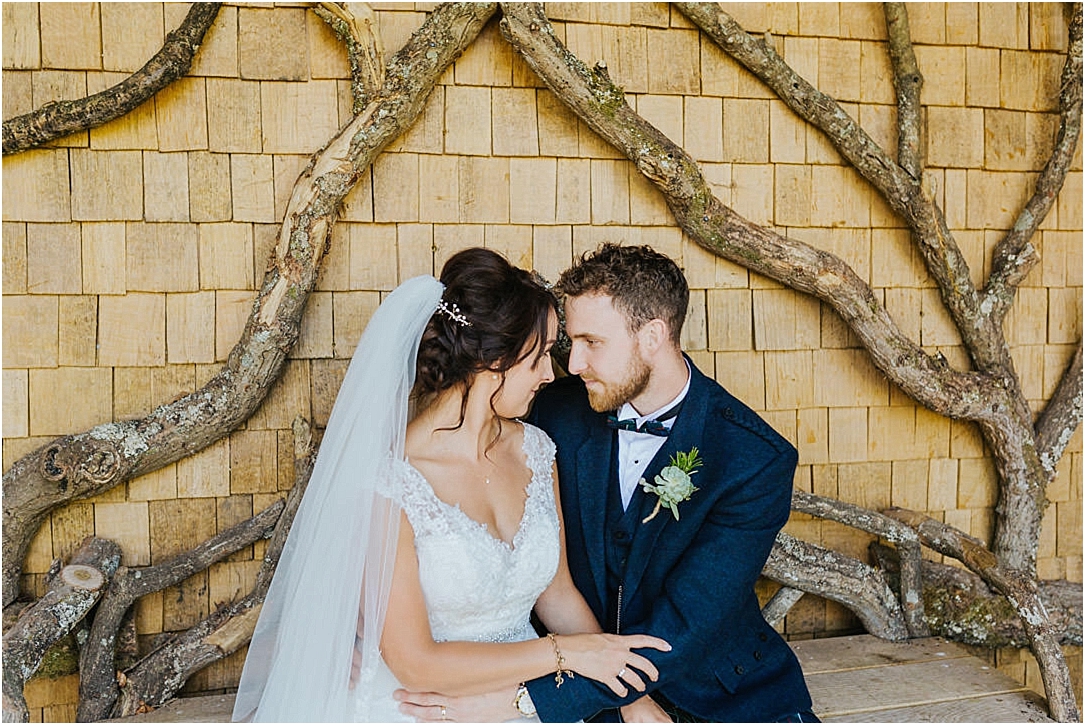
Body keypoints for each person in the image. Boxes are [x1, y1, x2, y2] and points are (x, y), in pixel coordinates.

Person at [231, 247, 670, 722]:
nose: (551, 374)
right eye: (541, 355)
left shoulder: (537, 449)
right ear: (493, 359)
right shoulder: (391, 481)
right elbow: (417, 664)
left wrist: (627, 692)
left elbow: (557, 593)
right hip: (424, 705)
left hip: (527, 701)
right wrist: (565, 655)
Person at [396, 244, 816, 722]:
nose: (570, 366)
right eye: (567, 343)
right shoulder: (546, 416)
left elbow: (688, 624)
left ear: (652, 336)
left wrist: (527, 701)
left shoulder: (753, 459)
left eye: (592, 343)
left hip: (719, 694)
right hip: (574, 687)